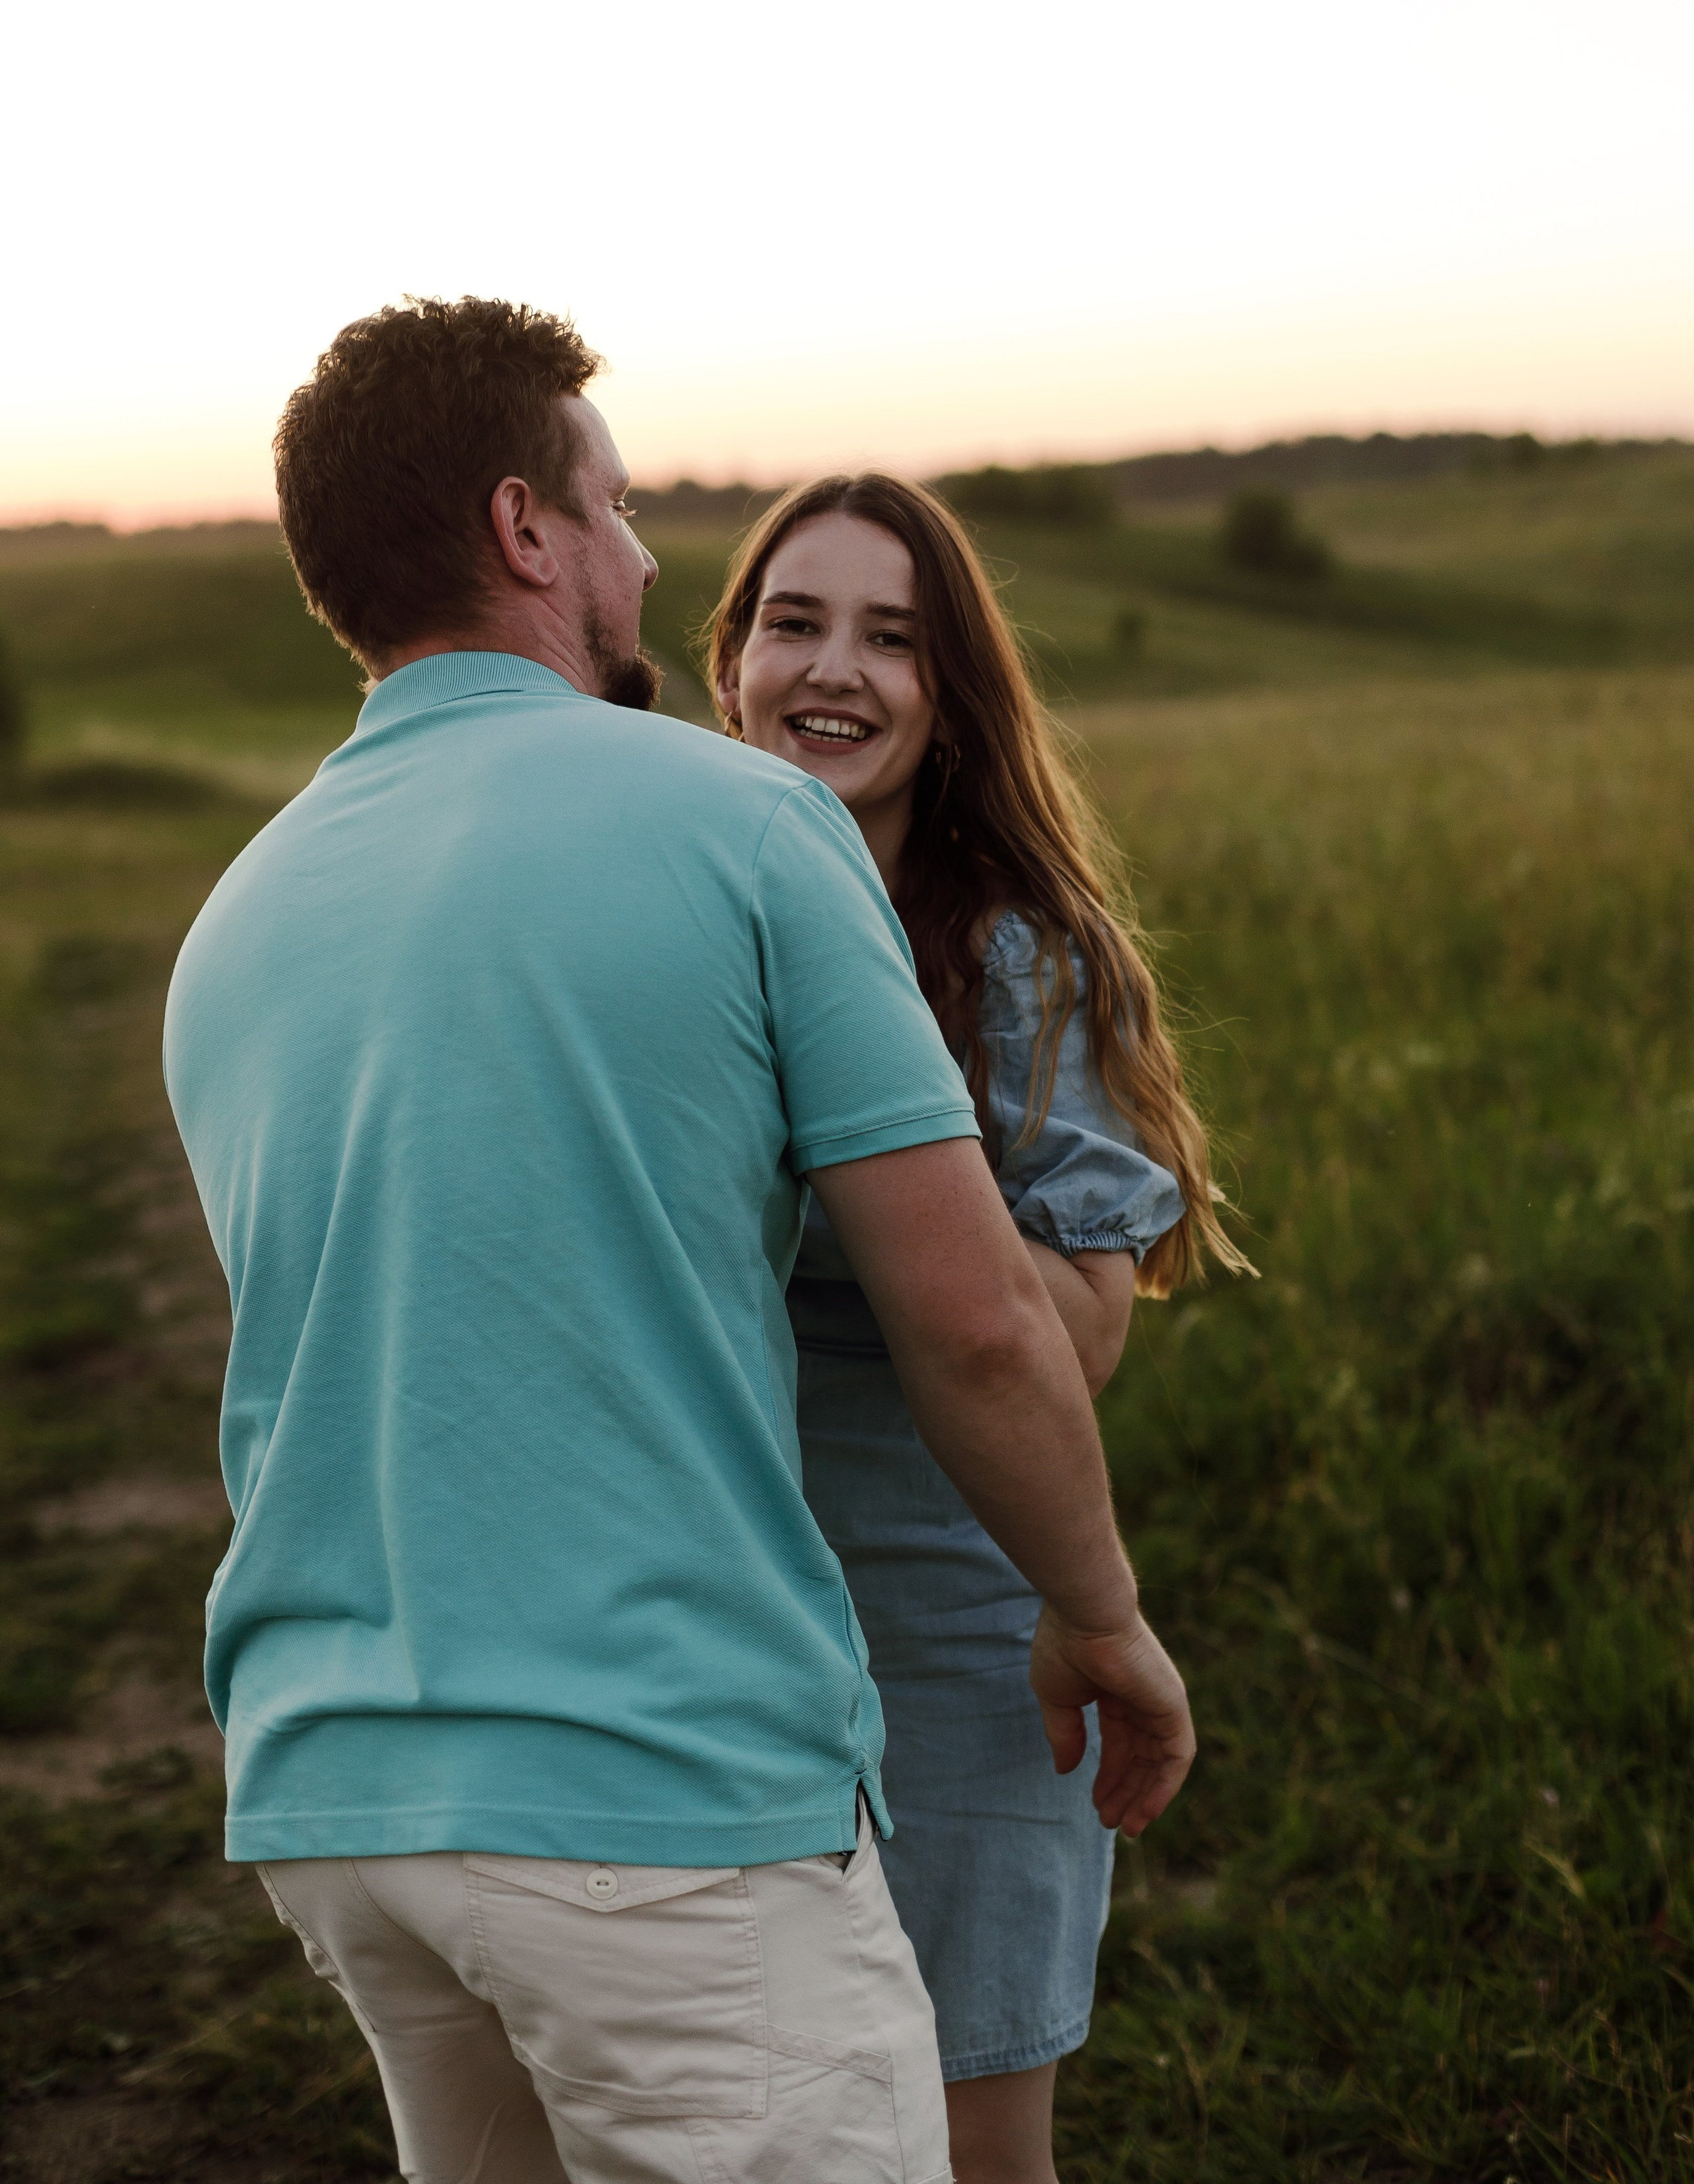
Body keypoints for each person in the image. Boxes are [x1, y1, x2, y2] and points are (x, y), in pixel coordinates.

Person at [162, 297, 1197, 2184]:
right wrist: (1111, 1615)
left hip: (337, 1797)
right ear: (525, 531)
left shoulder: (238, 916)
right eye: (618, 509)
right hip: (654, 1802)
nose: (647, 554)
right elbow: (980, 1327)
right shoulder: (742, 830)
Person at [710, 473, 1248, 2184]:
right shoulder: (663, 924)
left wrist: (883, 1149)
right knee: (733, 2108)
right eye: (793, 621)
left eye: (893, 638)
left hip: (953, 1620)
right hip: (703, 1610)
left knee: (967, 2119)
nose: (834, 671)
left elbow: (1070, 1345)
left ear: (947, 706)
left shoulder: (1013, 957)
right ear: (725, 660)